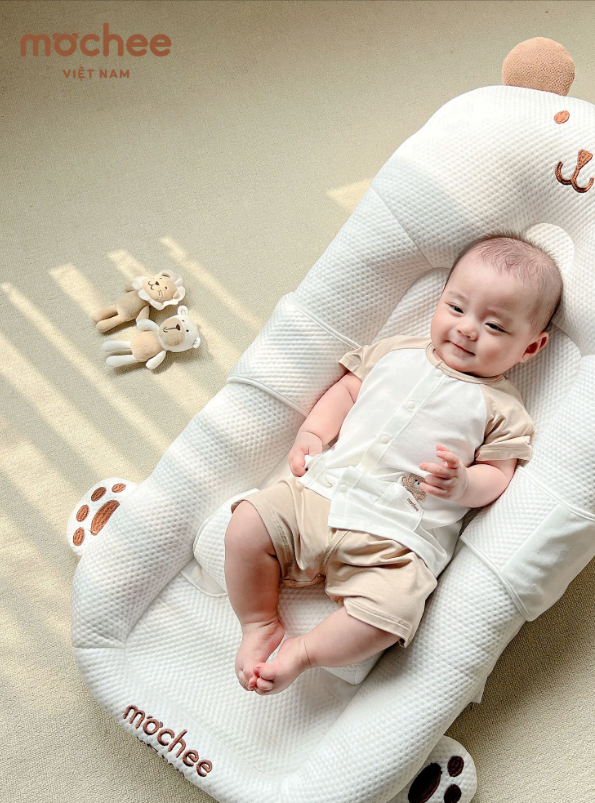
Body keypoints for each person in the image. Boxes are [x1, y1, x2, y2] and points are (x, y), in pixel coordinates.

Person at [224, 232, 563, 695]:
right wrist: (313, 433)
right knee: (247, 524)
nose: (467, 329)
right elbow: (347, 391)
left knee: (390, 615)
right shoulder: (395, 352)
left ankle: (304, 652)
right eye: (456, 308)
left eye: (495, 327)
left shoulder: (505, 409)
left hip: (399, 536)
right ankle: (259, 622)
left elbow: (499, 474)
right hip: (322, 494)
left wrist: (464, 484)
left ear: (530, 348)